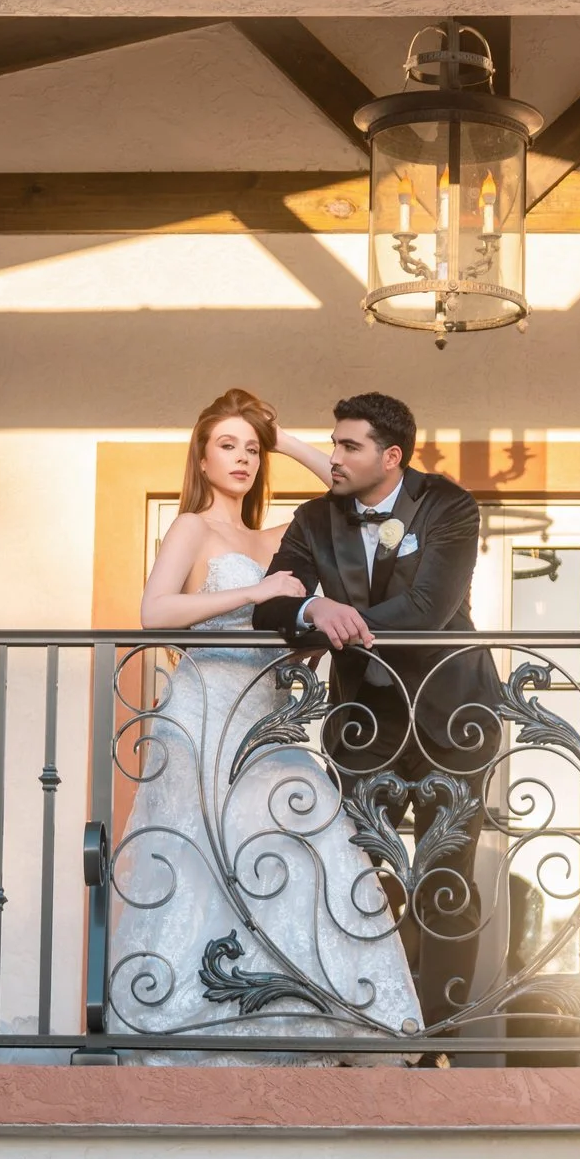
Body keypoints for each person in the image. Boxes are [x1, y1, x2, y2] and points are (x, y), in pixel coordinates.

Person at [105, 389, 421, 1062]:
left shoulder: (282, 534)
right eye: (228, 444)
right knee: (203, 857)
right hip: (204, 706)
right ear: (202, 454)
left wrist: (289, 442)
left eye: (251, 448)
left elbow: (352, 506)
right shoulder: (194, 526)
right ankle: (184, 1013)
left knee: (294, 843)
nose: (242, 457)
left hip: (266, 712)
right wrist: (255, 592)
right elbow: (154, 611)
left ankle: (296, 1016)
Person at [255, 392, 502, 1046]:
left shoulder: (448, 506)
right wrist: (308, 611)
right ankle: (371, 1034)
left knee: (445, 880)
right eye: (331, 444)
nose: (332, 456)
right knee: (365, 874)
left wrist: (335, 617)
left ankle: (435, 1042)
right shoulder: (313, 520)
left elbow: (426, 610)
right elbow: (273, 601)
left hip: (455, 715)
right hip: (364, 720)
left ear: (390, 456)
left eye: (348, 446)